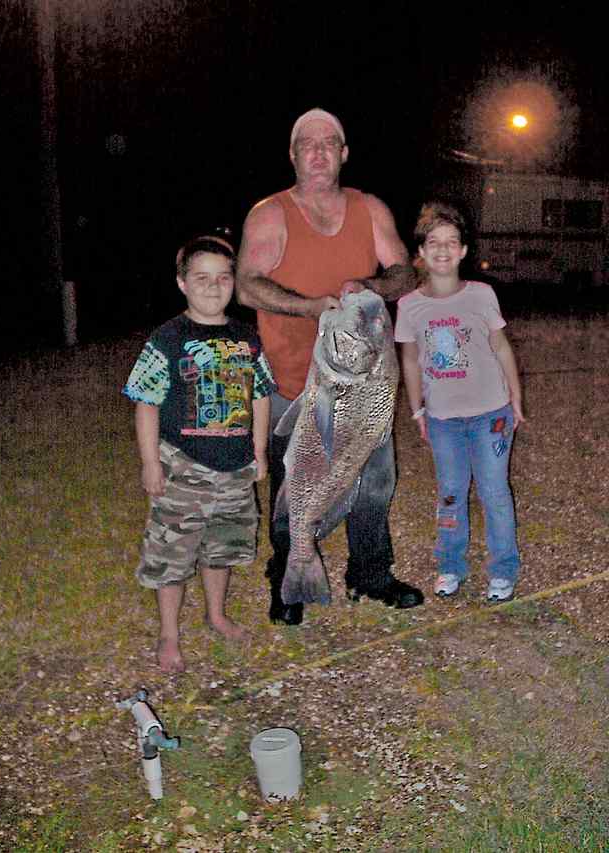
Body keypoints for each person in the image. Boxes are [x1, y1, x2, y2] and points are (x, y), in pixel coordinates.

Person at [236, 107, 424, 625]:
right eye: (306, 145)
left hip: (366, 385)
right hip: (292, 379)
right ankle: (288, 577)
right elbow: (247, 283)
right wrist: (309, 307)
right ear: (293, 155)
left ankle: (370, 572)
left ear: (343, 154)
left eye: (328, 144)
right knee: (293, 482)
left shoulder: (369, 209)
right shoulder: (270, 213)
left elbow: (405, 272)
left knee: (375, 481)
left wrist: (375, 287)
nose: (317, 152)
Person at [123, 236, 276, 671]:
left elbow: (261, 394)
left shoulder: (247, 337)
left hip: (235, 468)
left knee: (221, 548)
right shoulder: (167, 338)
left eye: (223, 278)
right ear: (182, 283)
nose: (213, 287)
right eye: (202, 278)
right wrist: (151, 462)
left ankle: (216, 615)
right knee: (173, 554)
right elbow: (146, 402)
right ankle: (169, 633)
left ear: (234, 283)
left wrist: (259, 450)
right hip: (182, 468)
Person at [394, 201, 524, 603]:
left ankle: (503, 571)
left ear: (465, 250)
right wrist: (417, 410)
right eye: (434, 242)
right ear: (421, 251)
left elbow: (501, 349)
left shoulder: (482, 295)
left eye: (452, 242)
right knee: (450, 492)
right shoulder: (409, 305)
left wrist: (516, 401)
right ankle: (450, 566)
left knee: (493, 491)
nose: (444, 250)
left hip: (491, 414)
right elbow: (411, 359)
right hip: (444, 419)